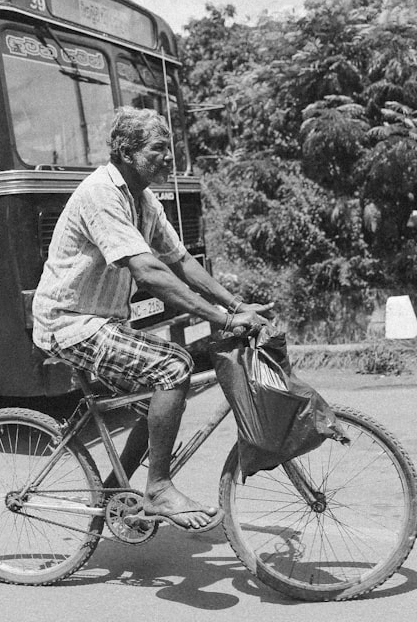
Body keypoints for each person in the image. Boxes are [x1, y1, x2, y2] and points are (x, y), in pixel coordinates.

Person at [31, 106, 272, 532]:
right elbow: (148, 271)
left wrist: (236, 307)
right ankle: (158, 487)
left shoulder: (142, 199)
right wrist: (216, 315)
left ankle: (115, 496)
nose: (169, 159)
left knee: (154, 403)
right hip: (69, 322)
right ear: (126, 150)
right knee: (172, 366)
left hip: (103, 321)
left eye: (170, 150)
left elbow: (179, 261)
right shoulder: (101, 194)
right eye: (159, 150)